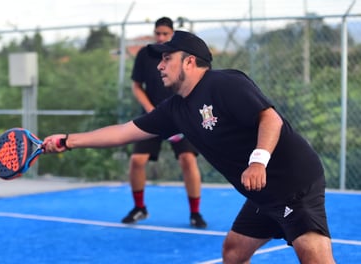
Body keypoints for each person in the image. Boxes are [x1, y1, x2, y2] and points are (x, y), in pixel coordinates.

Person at [43, 31, 335, 263]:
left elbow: (270, 118)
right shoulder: (175, 109)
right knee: (233, 253)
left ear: (189, 62)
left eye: (167, 58)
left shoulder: (224, 83)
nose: (159, 65)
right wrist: (68, 141)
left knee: (313, 257)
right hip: (262, 193)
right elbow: (124, 132)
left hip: (292, 181)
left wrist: (258, 161)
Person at [123, 17, 206, 228]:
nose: (160, 37)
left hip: (181, 116)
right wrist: (152, 112)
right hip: (152, 116)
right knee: (137, 161)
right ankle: (139, 208)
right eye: (157, 33)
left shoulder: (181, 56)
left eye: (165, 34)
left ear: (172, 35)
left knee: (188, 160)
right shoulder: (145, 54)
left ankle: (195, 213)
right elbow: (136, 86)